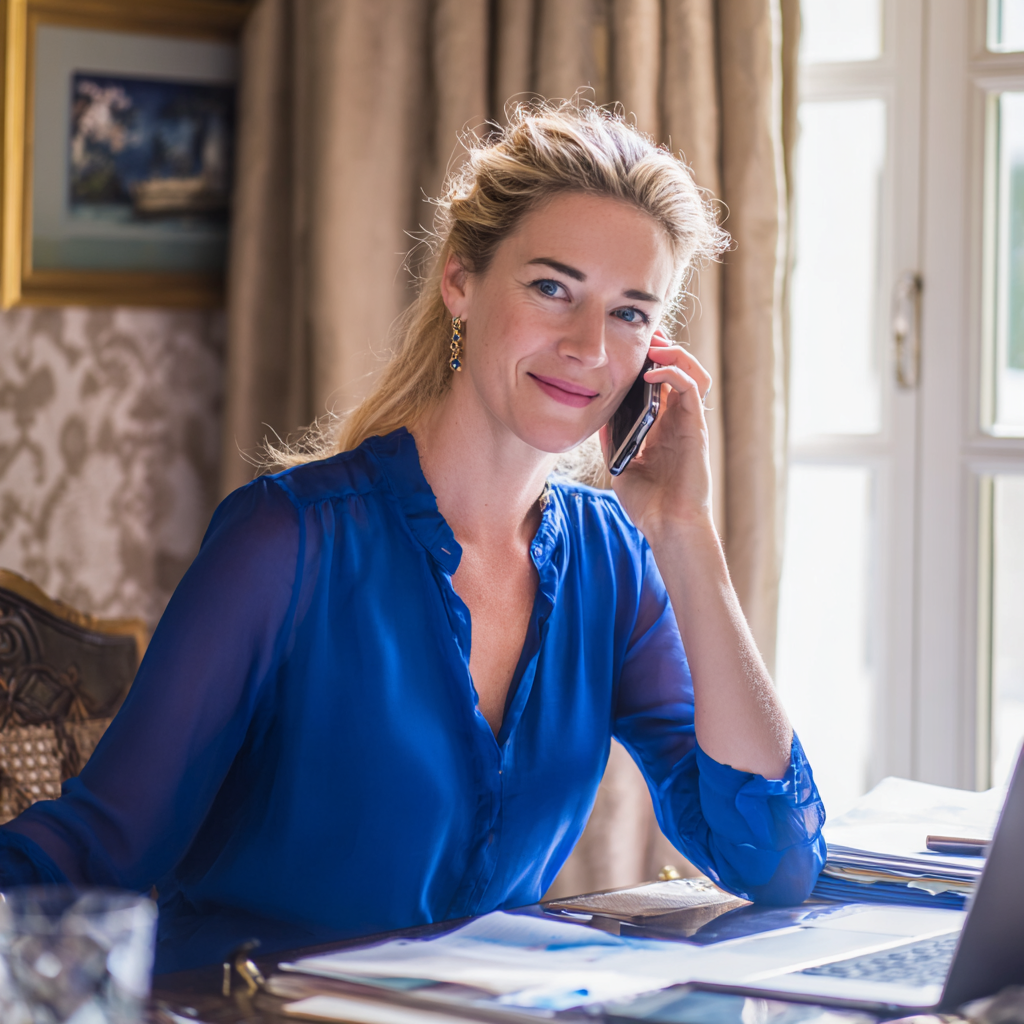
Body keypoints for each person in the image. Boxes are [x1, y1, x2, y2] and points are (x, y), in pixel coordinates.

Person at [0, 101, 825, 974]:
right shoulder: (287, 543)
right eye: (553, 288)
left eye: (629, 313)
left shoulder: (613, 562)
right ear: (460, 281)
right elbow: (99, 846)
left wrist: (684, 529)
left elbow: (772, 862)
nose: (588, 346)